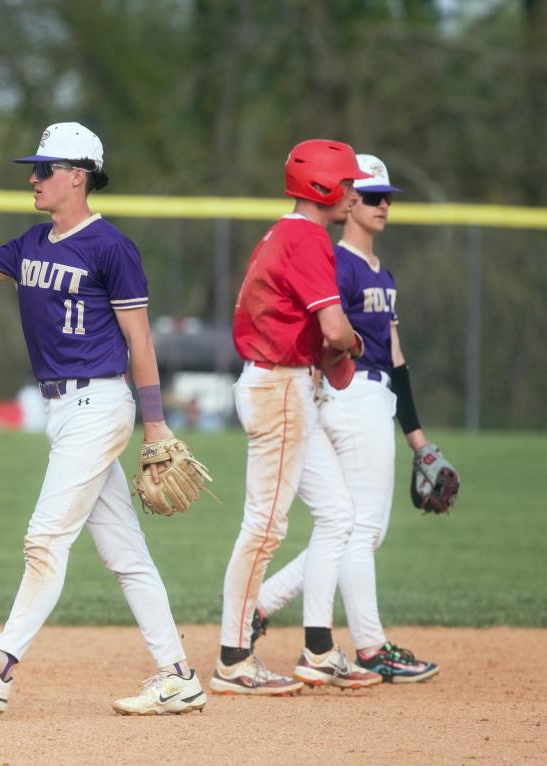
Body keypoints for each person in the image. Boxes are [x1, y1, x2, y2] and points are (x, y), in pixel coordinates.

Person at [0, 122, 206, 717]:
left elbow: (141, 343)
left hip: (100, 405)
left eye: (45, 169)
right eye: (35, 168)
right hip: (62, 410)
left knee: (45, 538)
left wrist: (155, 425)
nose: (34, 177)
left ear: (79, 175)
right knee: (126, 554)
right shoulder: (32, 243)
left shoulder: (111, 248)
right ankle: (178, 675)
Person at [253, 154, 441, 683]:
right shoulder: (338, 261)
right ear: (349, 199)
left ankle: (261, 606)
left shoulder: (383, 273)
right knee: (362, 528)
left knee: (348, 527)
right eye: (372, 195)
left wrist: (418, 440)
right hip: (350, 393)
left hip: (374, 396)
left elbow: (397, 359)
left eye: (387, 197)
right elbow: (324, 332)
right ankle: (370, 647)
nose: (382, 205)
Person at [211, 139, 382, 696]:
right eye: (348, 183)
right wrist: (353, 341)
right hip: (280, 388)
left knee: (337, 514)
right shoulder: (306, 237)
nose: (355, 193)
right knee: (265, 526)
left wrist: (332, 349)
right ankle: (234, 659)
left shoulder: (285, 232)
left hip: (286, 383)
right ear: (323, 188)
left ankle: (317, 649)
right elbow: (335, 331)